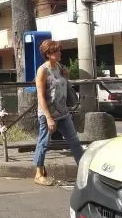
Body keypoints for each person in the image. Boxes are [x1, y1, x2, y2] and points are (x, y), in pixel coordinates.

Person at [33, 39, 85, 186]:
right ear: (48, 54)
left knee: (74, 141)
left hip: (63, 112)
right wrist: (49, 118)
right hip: (48, 114)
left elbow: (62, 87)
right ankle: (38, 173)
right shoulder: (43, 70)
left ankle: (84, 171)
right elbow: (40, 96)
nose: (60, 53)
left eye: (59, 50)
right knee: (44, 142)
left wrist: (66, 76)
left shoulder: (60, 67)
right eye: (56, 51)